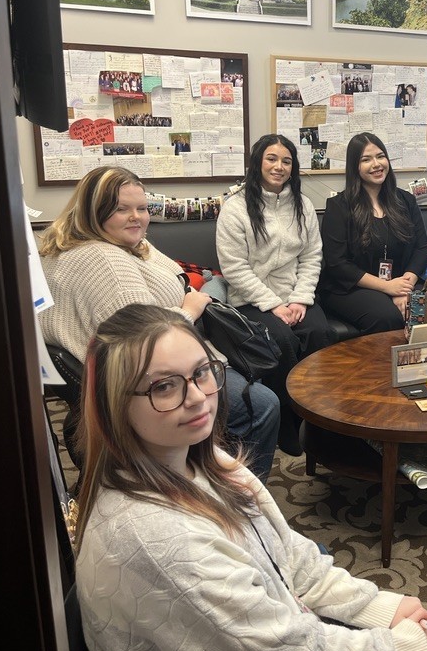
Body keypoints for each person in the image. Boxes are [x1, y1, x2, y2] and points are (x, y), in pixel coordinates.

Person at [73, 304, 427, 651]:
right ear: (115, 404)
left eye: (201, 373)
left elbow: (287, 553)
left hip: (278, 618)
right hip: (274, 646)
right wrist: (400, 649)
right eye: (164, 386)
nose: (198, 397)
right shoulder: (157, 539)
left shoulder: (201, 457)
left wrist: (378, 607)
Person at [37, 166, 280, 482]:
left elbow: (173, 280)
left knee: (220, 295)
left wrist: (189, 297)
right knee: (262, 406)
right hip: (145, 379)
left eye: (142, 208)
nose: (136, 217)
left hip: (129, 367)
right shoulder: (104, 260)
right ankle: (237, 500)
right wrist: (189, 311)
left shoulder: (90, 241)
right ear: (93, 210)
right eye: (121, 209)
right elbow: (143, 341)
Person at [217, 134, 336, 454]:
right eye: (271, 159)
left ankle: (317, 416)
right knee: (280, 339)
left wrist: (299, 299)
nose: (279, 166)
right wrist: (273, 305)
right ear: (257, 162)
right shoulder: (235, 207)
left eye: (286, 160)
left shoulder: (303, 205)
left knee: (319, 332)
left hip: (295, 295)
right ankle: (286, 420)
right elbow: (234, 269)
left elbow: (313, 257)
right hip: (252, 299)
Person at [319, 132, 427, 333]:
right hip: (350, 288)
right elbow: (337, 264)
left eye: (380, 156)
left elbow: (422, 249)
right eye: (366, 159)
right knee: (386, 316)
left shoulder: (406, 201)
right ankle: (379, 365)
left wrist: (404, 287)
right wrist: (387, 287)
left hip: (400, 281)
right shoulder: (338, 206)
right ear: (355, 167)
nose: (376, 164)